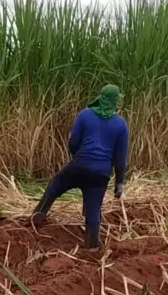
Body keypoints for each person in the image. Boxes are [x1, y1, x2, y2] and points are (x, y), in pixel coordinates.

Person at [31, 85, 128, 248]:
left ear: (100, 97)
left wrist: (78, 158)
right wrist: (119, 183)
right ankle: (92, 246)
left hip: (79, 165)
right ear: (115, 101)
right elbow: (121, 158)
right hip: (100, 174)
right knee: (93, 209)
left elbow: (73, 141)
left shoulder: (85, 115)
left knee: (55, 186)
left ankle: (38, 215)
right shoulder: (121, 124)